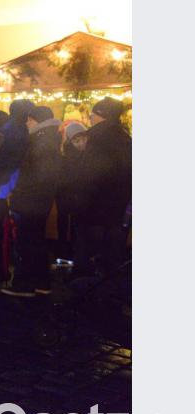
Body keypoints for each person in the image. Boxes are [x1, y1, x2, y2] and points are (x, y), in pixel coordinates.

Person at [1, 106, 62, 297]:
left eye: (29, 119)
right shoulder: (50, 139)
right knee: (36, 241)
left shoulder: (40, 141)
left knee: (25, 242)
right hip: (40, 200)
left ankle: (23, 284)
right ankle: (41, 282)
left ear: (37, 120)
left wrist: (18, 193)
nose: (26, 123)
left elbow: (34, 176)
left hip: (30, 201)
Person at [74, 97, 131, 278]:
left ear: (102, 116)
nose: (90, 118)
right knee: (110, 249)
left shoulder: (97, 138)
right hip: (117, 205)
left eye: (93, 115)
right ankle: (108, 282)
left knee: (89, 246)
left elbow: (89, 173)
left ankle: (85, 283)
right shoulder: (124, 137)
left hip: (94, 205)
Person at [0, 99, 35, 288]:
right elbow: (15, 165)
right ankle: (2, 270)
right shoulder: (21, 133)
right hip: (7, 190)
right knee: (6, 231)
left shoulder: (3, 131)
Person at [55, 121, 88, 262]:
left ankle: (69, 250)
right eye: (76, 140)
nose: (81, 143)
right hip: (68, 195)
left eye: (83, 139)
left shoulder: (85, 155)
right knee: (68, 223)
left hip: (73, 195)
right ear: (70, 141)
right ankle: (66, 251)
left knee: (73, 224)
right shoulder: (67, 157)